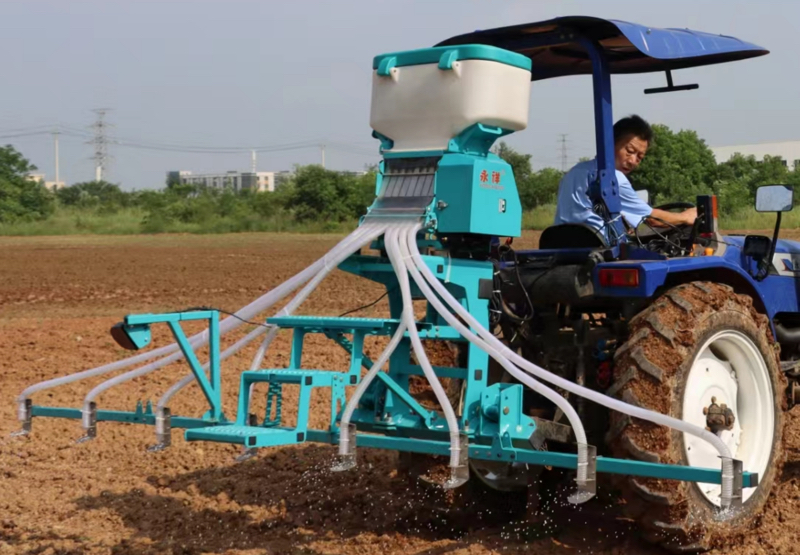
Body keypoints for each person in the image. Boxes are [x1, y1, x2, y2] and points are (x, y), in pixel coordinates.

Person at [553, 115, 696, 238]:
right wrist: (685, 217)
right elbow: (652, 219)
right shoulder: (613, 179)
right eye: (629, 151)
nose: (633, 161)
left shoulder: (573, 173)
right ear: (609, 143)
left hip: (560, 248)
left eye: (639, 157)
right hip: (598, 250)